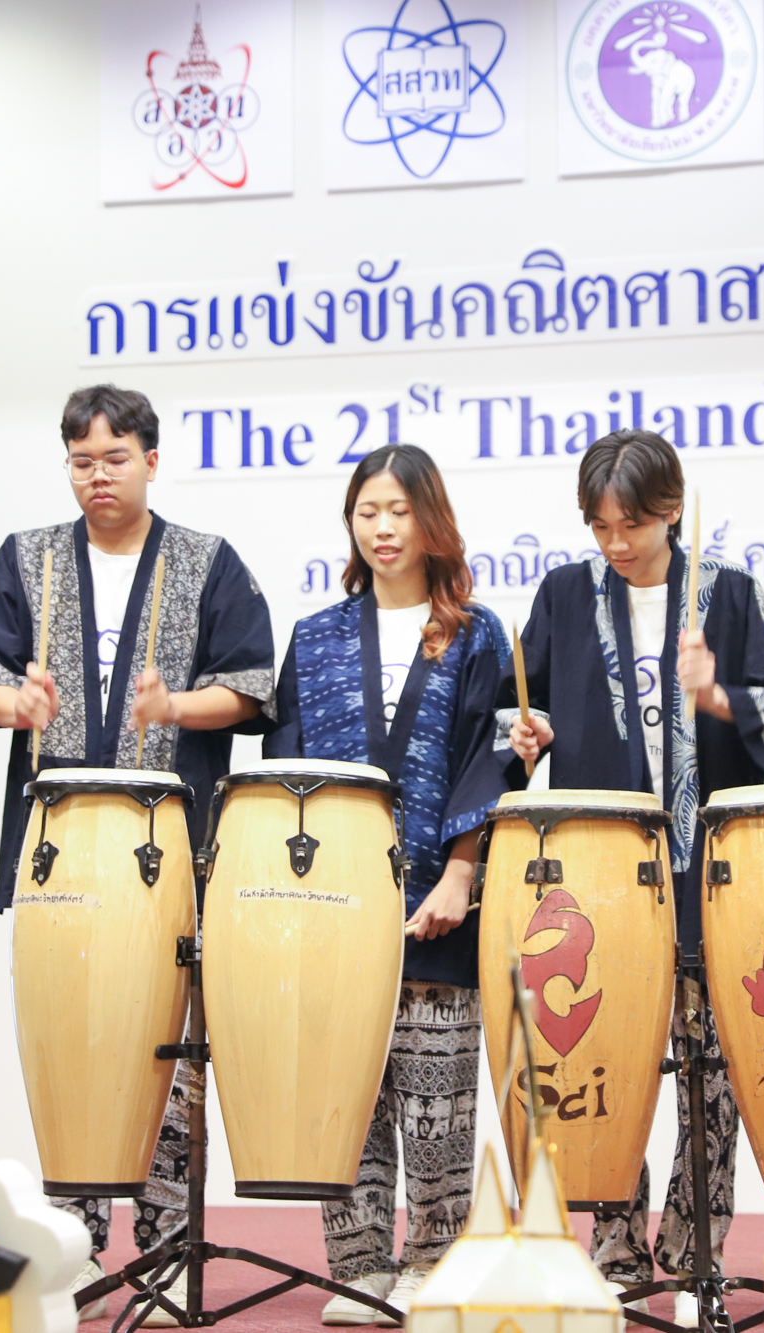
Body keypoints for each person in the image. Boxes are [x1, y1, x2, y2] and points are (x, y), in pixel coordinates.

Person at [0, 384, 276, 1323]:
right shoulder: (29, 557)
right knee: (71, 1036)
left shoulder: (207, 560)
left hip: (171, 844)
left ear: (151, 461)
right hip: (60, 844)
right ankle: (73, 1243)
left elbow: (251, 687)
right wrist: (14, 703)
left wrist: (175, 707)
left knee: (169, 1042)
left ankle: (166, 1245)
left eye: (115, 459)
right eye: (81, 461)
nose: (98, 476)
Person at [504, 429, 764, 1327]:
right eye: (599, 527)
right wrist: (527, 735)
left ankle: (693, 1242)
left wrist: (719, 697)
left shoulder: (730, 592)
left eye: (630, 525)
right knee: (609, 1051)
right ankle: (615, 1240)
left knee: (711, 1062)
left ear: (671, 510)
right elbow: (520, 709)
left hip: (709, 871)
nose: (615, 543)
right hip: (600, 872)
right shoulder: (564, 593)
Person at [262, 445, 510, 1328]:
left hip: (441, 899)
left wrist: (461, 870)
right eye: (367, 510)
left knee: (436, 1092)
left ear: (431, 519)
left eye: (399, 509)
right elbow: (284, 769)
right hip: (330, 902)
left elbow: (489, 757)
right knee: (347, 1091)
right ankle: (359, 1263)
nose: (383, 527)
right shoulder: (315, 636)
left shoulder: (478, 633)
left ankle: (435, 1259)